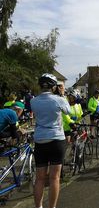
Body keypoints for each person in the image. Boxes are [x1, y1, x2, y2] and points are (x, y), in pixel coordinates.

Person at [30, 73, 71, 208]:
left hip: (40, 140)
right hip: (56, 140)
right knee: (54, 178)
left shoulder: (33, 101)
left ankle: (39, 206)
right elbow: (68, 112)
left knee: (40, 178)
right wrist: (62, 94)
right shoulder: (58, 100)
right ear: (54, 87)